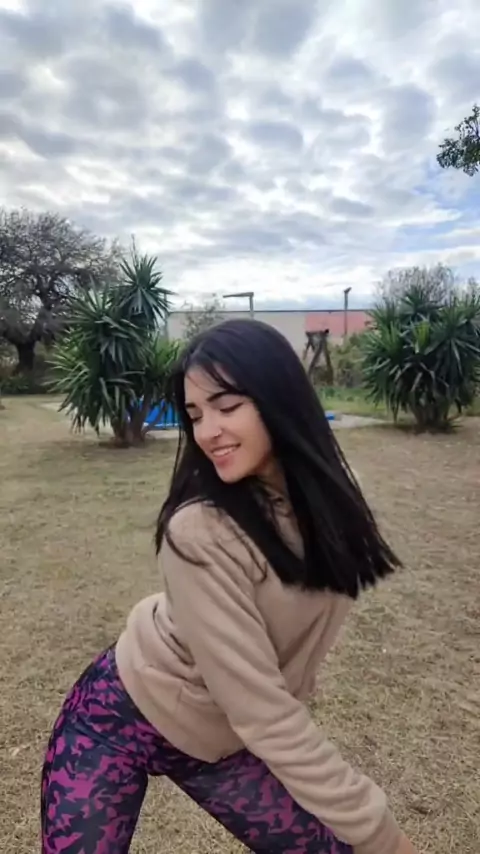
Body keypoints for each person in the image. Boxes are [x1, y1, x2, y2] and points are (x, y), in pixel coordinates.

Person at [41, 319, 418, 854]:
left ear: (278, 397)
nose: (207, 431)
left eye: (227, 406)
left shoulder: (333, 508)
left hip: (222, 740)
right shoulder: (199, 530)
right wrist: (384, 836)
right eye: (195, 415)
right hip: (113, 719)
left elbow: (275, 693)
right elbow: (264, 713)